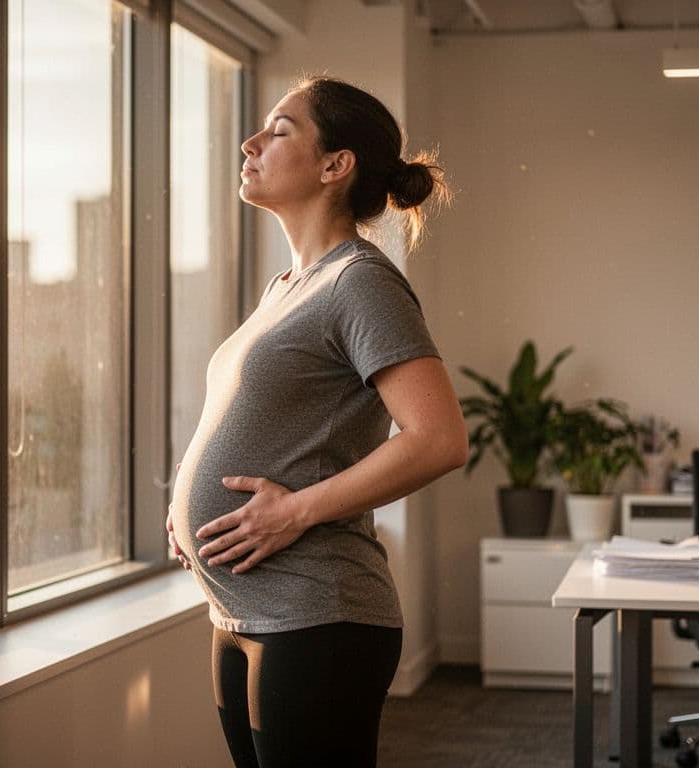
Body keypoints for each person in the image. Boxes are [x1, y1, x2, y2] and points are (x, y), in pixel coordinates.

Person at [165, 75, 468, 768]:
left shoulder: (360, 281)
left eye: (280, 130)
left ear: (335, 166)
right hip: (242, 611)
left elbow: (440, 439)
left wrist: (296, 511)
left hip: (318, 611)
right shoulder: (287, 287)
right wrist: (184, 497)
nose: (251, 142)